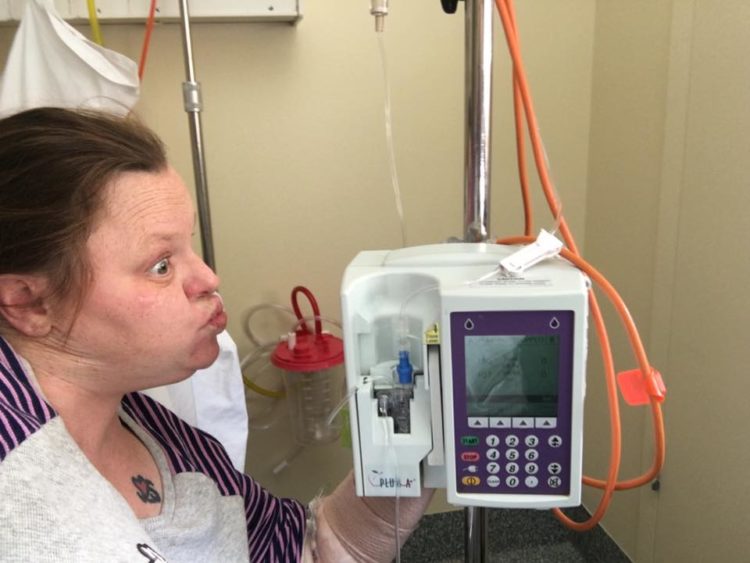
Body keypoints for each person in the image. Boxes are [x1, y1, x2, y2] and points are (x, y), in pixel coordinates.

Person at [0, 107, 432, 562]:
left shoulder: (174, 446)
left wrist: (413, 449)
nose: (208, 277)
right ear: (29, 303)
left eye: (190, 247)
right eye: (161, 265)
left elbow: (312, 551)